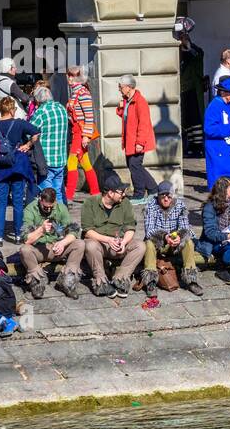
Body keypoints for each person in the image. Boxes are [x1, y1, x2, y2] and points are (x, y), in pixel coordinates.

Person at [81, 175, 143, 297]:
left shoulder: (125, 203)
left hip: (119, 243)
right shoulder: (90, 203)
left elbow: (130, 227)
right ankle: (101, 282)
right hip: (100, 243)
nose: (124, 195)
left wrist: (124, 242)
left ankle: (120, 279)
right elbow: (87, 231)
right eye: (120, 192)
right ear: (110, 193)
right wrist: (108, 240)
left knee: (140, 246)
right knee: (90, 245)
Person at [19, 187, 86, 299]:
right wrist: (41, 230)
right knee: (24, 250)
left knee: (80, 244)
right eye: (45, 207)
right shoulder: (30, 209)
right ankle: (38, 282)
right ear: (40, 200)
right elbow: (26, 239)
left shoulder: (61, 208)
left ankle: (67, 282)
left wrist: (63, 243)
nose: (48, 210)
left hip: (57, 247)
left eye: (51, 207)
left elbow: (73, 231)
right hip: (39, 249)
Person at [141, 180, 205, 297]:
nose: (166, 199)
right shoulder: (151, 206)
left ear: (172, 195)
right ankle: (151, 281)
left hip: (175, 242)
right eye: (163, 196)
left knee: (189, 243)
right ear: (158, 196)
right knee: (149, 243)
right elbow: (149, 230)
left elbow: (185, 227)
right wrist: (165, 237)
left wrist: (179, 237)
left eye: (169, 196)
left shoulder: (180, 205)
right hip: (159, 242)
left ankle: (191, 280)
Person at [0, 97, 40, 244]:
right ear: (12, 109)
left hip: (0, 166)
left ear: (0, 110)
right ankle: (18, 235)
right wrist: (28, 145)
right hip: (17, 166)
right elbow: (36, 132)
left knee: (1, 203)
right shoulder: (19, 123)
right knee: (18, 202)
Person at [198, 175, 230, 284]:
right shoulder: (210, 207)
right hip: (215, 242)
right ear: (223, 189)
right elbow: (209, 232)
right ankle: (222, 268)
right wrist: (227, 236)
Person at [115, 74, 158, 203]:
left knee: (135, 165)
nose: (119, 89)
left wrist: (140, 142)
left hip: (137, 141)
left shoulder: (140, 101)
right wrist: (121, 107)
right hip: (130, 140)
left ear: (129, 87)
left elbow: (144, 124)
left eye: (120, 87)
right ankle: (153, 189)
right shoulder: (128, 100)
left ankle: (139, 194)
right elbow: (125, 116)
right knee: (134, 165)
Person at [63, 66, 101, 203]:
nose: (69, 78)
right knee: (85, 164)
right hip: (76, 132)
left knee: (71, 163)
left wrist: (86, 135)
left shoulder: (83, 93)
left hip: (80, 133)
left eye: (72, 75)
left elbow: (89, 116)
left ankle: (68, 196)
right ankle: (95, 192)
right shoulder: (75, 92)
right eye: (69, 75)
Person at [29, 82, 68, 197]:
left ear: (38, 100)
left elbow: (30, 131)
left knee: (46, 194)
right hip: (60, 158)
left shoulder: (41, 111)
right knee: (58, 193)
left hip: (46, 160)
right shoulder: (61, 108)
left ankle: (49, 215)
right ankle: (60, 214)